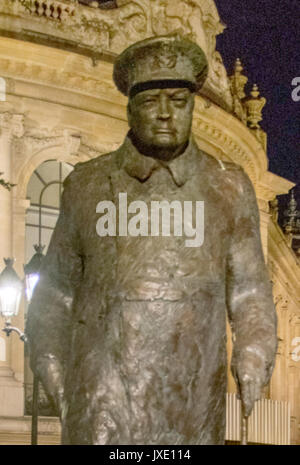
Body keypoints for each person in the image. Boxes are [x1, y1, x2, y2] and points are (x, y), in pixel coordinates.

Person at [26, 35, 277, 445]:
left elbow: (250, 289)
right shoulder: (86, 185)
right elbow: (55, 292)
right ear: (129, 109)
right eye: (149, 102)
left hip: (192, 405)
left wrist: (253, 352)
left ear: (193, 106)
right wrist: (51, 363)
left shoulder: (227, 188)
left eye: (178, 101)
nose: (165, 114)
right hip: (100, 404)